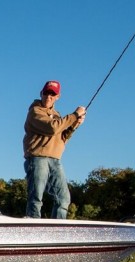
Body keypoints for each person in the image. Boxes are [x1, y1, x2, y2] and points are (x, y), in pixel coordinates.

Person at [21, 80, 85, 219]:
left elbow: (62, 137)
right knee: (36, 197)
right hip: (38, 159)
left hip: (55, 160)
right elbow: (52, 128)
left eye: (52, 94)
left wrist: (74, 125)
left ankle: (58, 229)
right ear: (41, 93)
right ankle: (33, 227)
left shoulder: (57, 115)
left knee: (63, 198)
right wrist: (74, 115)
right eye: (46, 93)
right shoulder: (35, 111)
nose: (48, 96)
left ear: (58, 97)